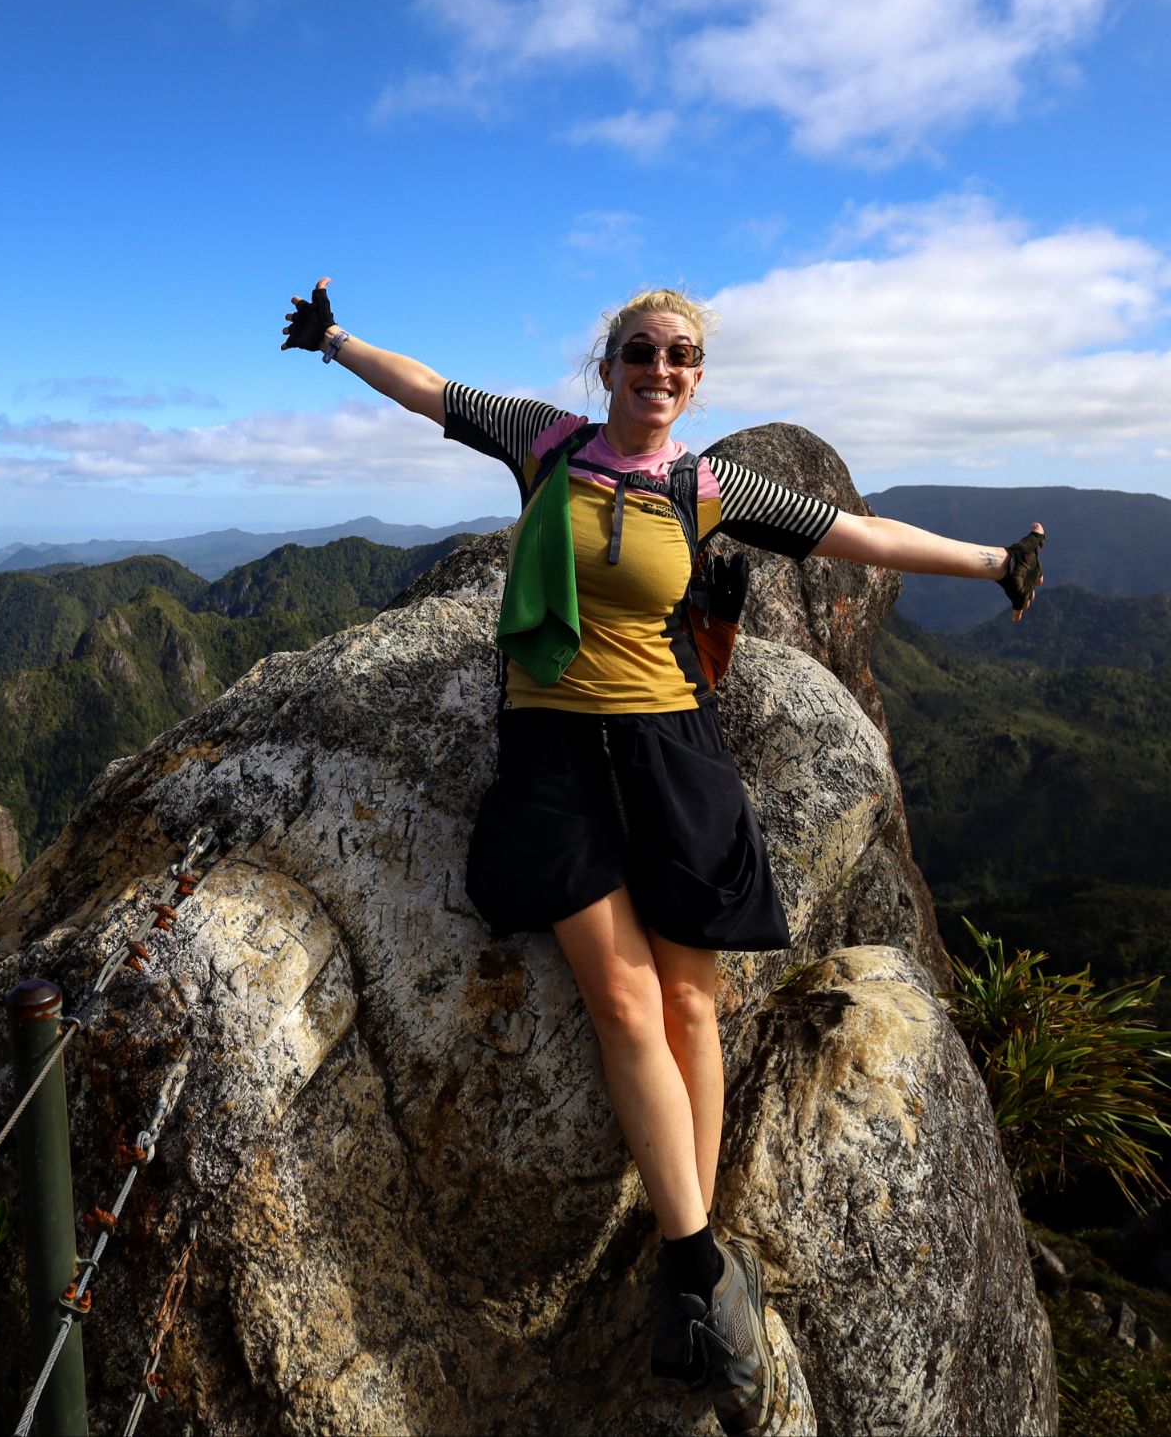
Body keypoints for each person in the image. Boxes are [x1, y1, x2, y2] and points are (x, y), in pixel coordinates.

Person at [279, 277, 1044, 1431]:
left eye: (681, 354)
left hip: (672, 746)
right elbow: (427, 389)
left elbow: (859, 534)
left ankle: (695, 1250)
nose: (661, 367)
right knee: (626, 1002)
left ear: (697, 375)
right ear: (608, 367)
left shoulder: (710, 485)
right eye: (641, 349)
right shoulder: (546, 443)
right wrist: (334, 341)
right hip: (554, 756)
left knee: (693, 1006)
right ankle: (694, 1267)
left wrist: (992, 563)